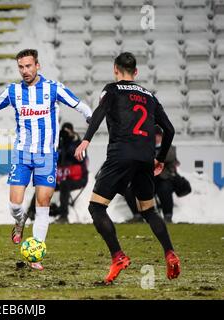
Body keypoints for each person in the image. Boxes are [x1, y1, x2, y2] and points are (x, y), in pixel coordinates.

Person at [0, 49, 92, 270]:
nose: (25, 71)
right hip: (21, 154)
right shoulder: (13, 91)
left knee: (43, 205)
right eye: (21, 67)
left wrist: (91, 119)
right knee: (14, 204)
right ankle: (20, 220)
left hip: (47, 155)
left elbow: (80, 105)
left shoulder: (53, 88)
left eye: (28, 66)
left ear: (37, 65)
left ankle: (36, 255)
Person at [74, 52, 181, 284]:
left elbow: (100, 112)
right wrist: (160, 158)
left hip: (120, 155)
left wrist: (86, 139)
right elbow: (170, 130)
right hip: (144, 158)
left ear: (115, 70)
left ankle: (118, 256)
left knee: (96, 207)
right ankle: (170, 253)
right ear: (136, 72)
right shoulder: (150, 97)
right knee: (149, 211)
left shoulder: (112, 90)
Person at [27, 122, 89, 224]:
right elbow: (57, 159)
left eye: (67, 132)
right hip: (63, 176)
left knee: (65, 185)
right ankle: (32, 211)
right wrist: (60, 144)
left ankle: (64, 216)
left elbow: (79, 158)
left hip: (79, 178)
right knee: (44, 184)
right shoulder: (60, 145)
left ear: (72, 132)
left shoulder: (79, 144)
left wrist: (69, 142)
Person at [125, 125, 180, 223]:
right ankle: (137, 215)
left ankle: (168, 215)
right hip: (147, 178)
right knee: (129, 190)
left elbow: (169, 157)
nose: (155, 138)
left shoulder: (169, 147)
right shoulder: (145, 147)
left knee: (165, 189)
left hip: (163, 178)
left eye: (157, 135)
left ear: (161, 136)